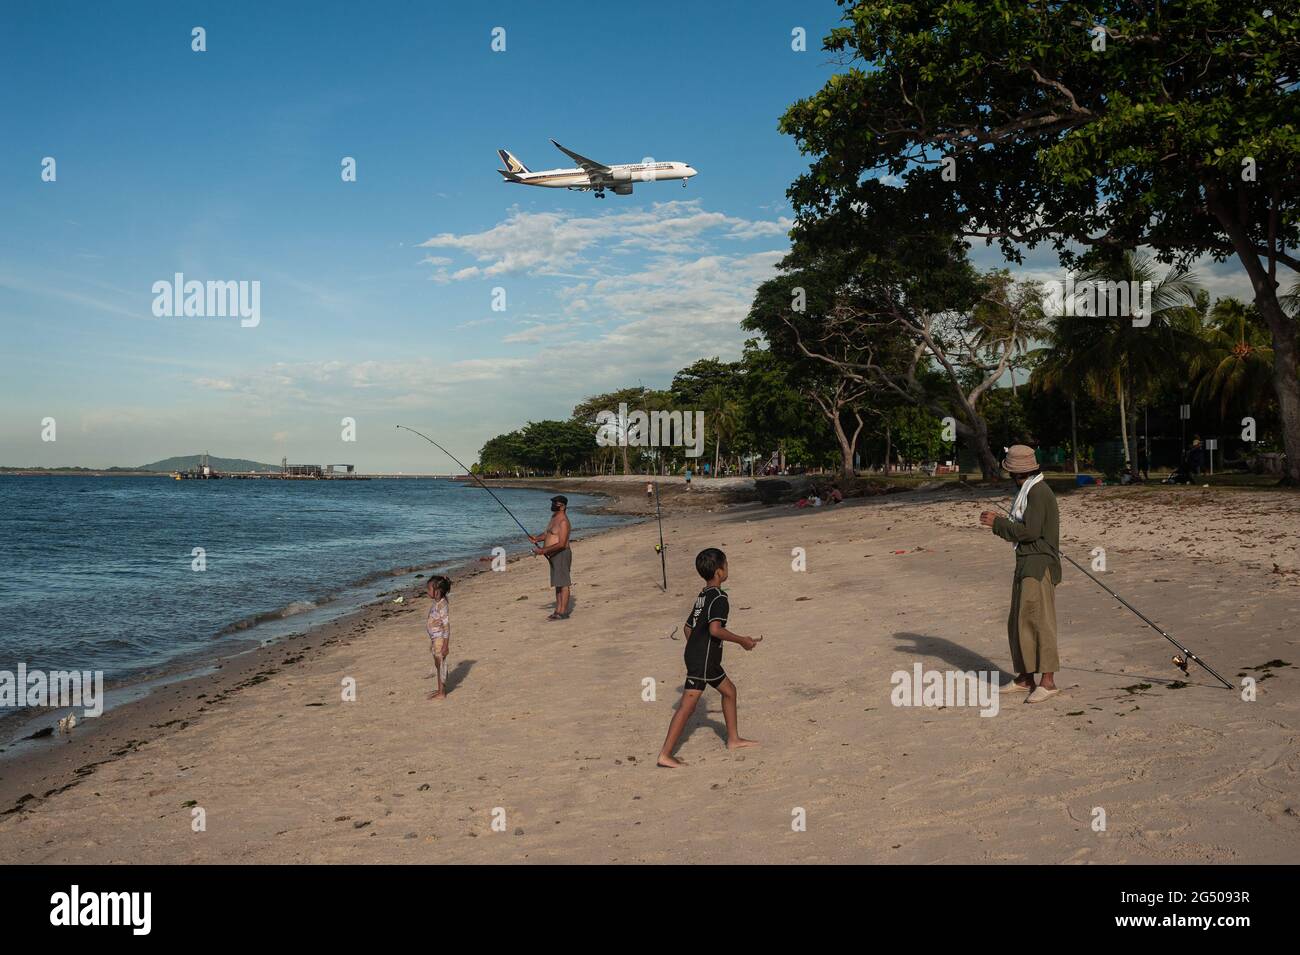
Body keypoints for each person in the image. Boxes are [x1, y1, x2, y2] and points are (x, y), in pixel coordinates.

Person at [657, 548, 760, 768]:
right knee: (687, 706)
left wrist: (695, 647)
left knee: (729, 691)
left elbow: (687, 628)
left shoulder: (703, 596)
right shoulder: (720, 598)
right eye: (727, 565)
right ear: (720, 571)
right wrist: (743, 640)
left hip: (705, 659)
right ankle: (665, 754)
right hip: (703, 658)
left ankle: (733, 739)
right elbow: (715, 630)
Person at [979, 445, 1062, 703]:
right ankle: (1025, 678)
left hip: (1038, 566)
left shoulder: (1038, 492)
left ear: (1016, 474)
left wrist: (998, 523)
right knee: (1019, 621)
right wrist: (1003, 523)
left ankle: (1047, 682)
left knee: (1039, 623)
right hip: (1026, 563)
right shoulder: (1031, 489)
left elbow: (1030, 532)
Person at [530, 495, 572, 620]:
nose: (553, 505)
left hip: (562, 554)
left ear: (562, 506)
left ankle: (563, 612)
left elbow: (562, 544)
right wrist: (537, 538)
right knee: (557, 583)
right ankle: (557, 610)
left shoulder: (564, 521)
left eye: (555, 503)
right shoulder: (554, 517)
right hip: (553, 555)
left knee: (563, 584)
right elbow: (549, 533)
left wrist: (543, 551)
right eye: (553, 502)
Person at [425, 575, 452, 700]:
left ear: (437, 591)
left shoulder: (442, 605)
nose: (427, 591)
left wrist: (445, 645)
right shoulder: (437, 603)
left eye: (429, 589)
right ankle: (440, 689)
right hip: (435, 639)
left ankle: (442, 692)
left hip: (440, 639)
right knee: (437, 664)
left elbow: (446, 626)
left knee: (440, 664)